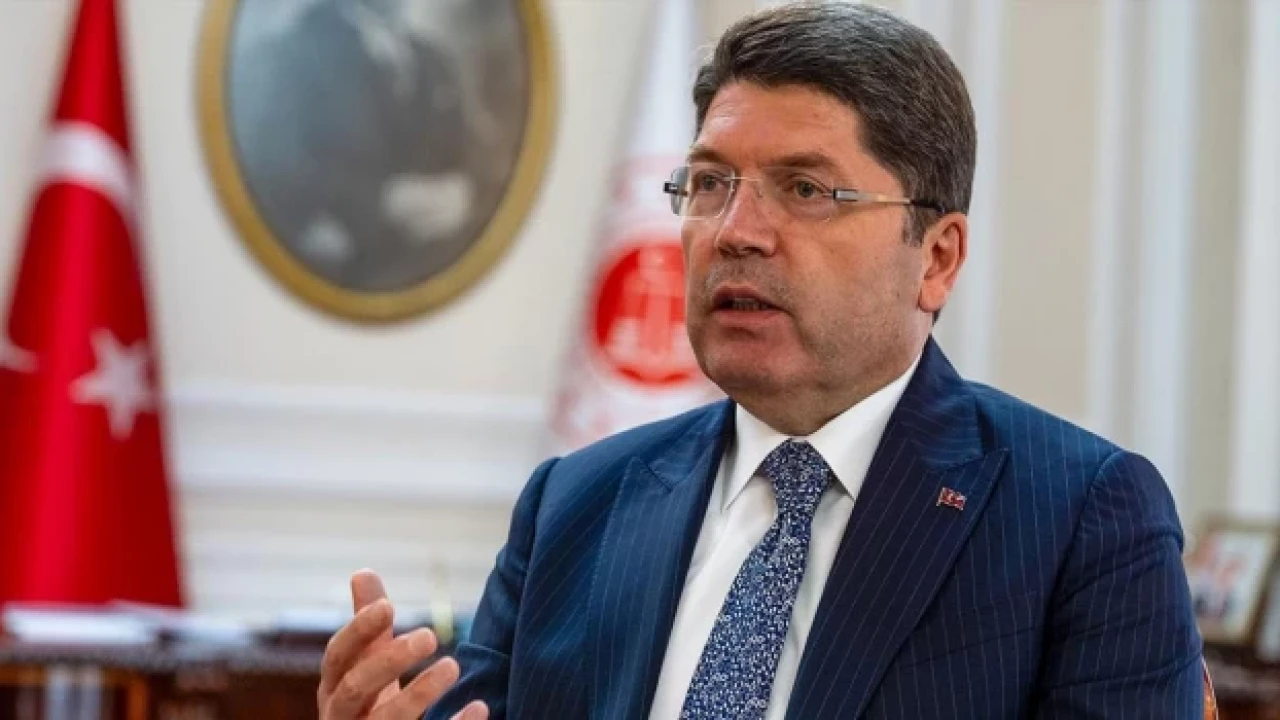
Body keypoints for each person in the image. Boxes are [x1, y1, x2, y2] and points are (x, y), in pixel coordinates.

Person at [316, 3, 1204, 718]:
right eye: (710, 183)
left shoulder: (1079, 517)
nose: (735, 232)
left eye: (805, 189)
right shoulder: (576, 504)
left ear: (936, 258)